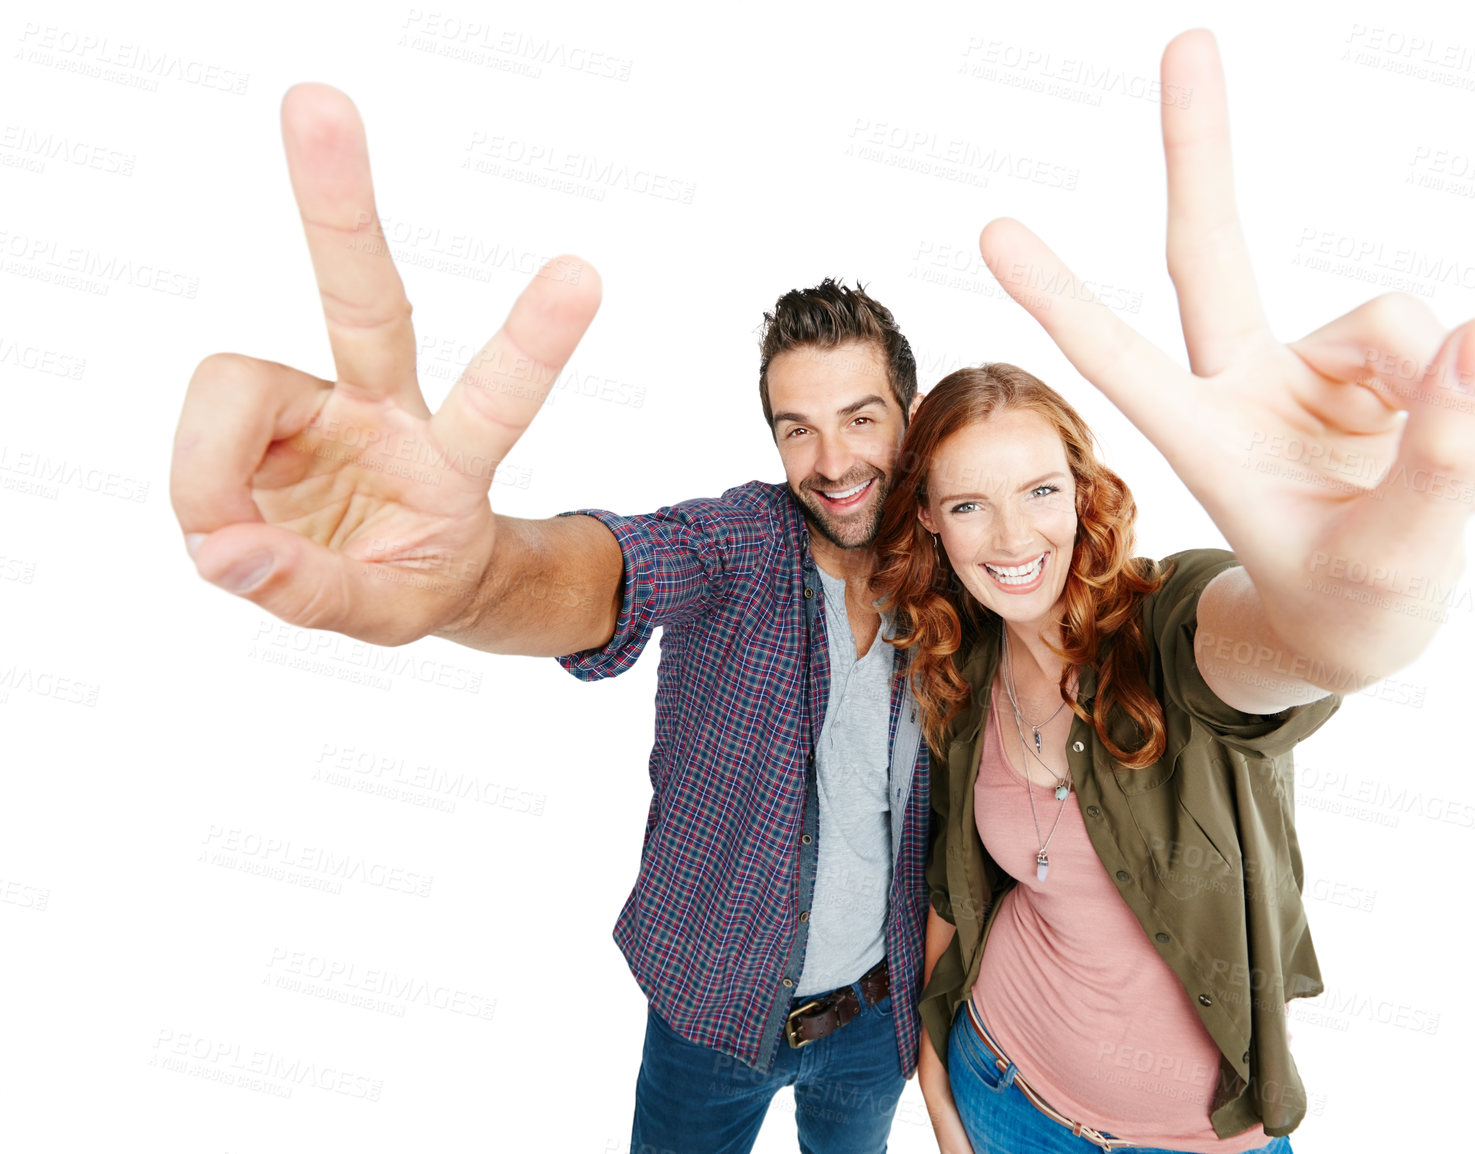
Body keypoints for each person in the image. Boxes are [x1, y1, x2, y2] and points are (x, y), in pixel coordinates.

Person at [865, 30, 1475, 1154]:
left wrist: (1343, 602)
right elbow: (953, 878)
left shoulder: (1168, 622)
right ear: (928, 518)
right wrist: (937, 1074)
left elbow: (1292, 644)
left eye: (1039, 489)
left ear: (1085, 490)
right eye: (967, 504)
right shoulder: (958, 658)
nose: (1012, 537)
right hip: (997, 1083)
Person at [169, 81, 933, 1154]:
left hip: (877, 1015)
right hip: (711, 1012)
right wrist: (474, 575)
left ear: (910, 412)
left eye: (860, 418)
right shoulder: (739, 544)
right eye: (796, 428)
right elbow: (609, 572)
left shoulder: (958, 574)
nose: (832, 460)